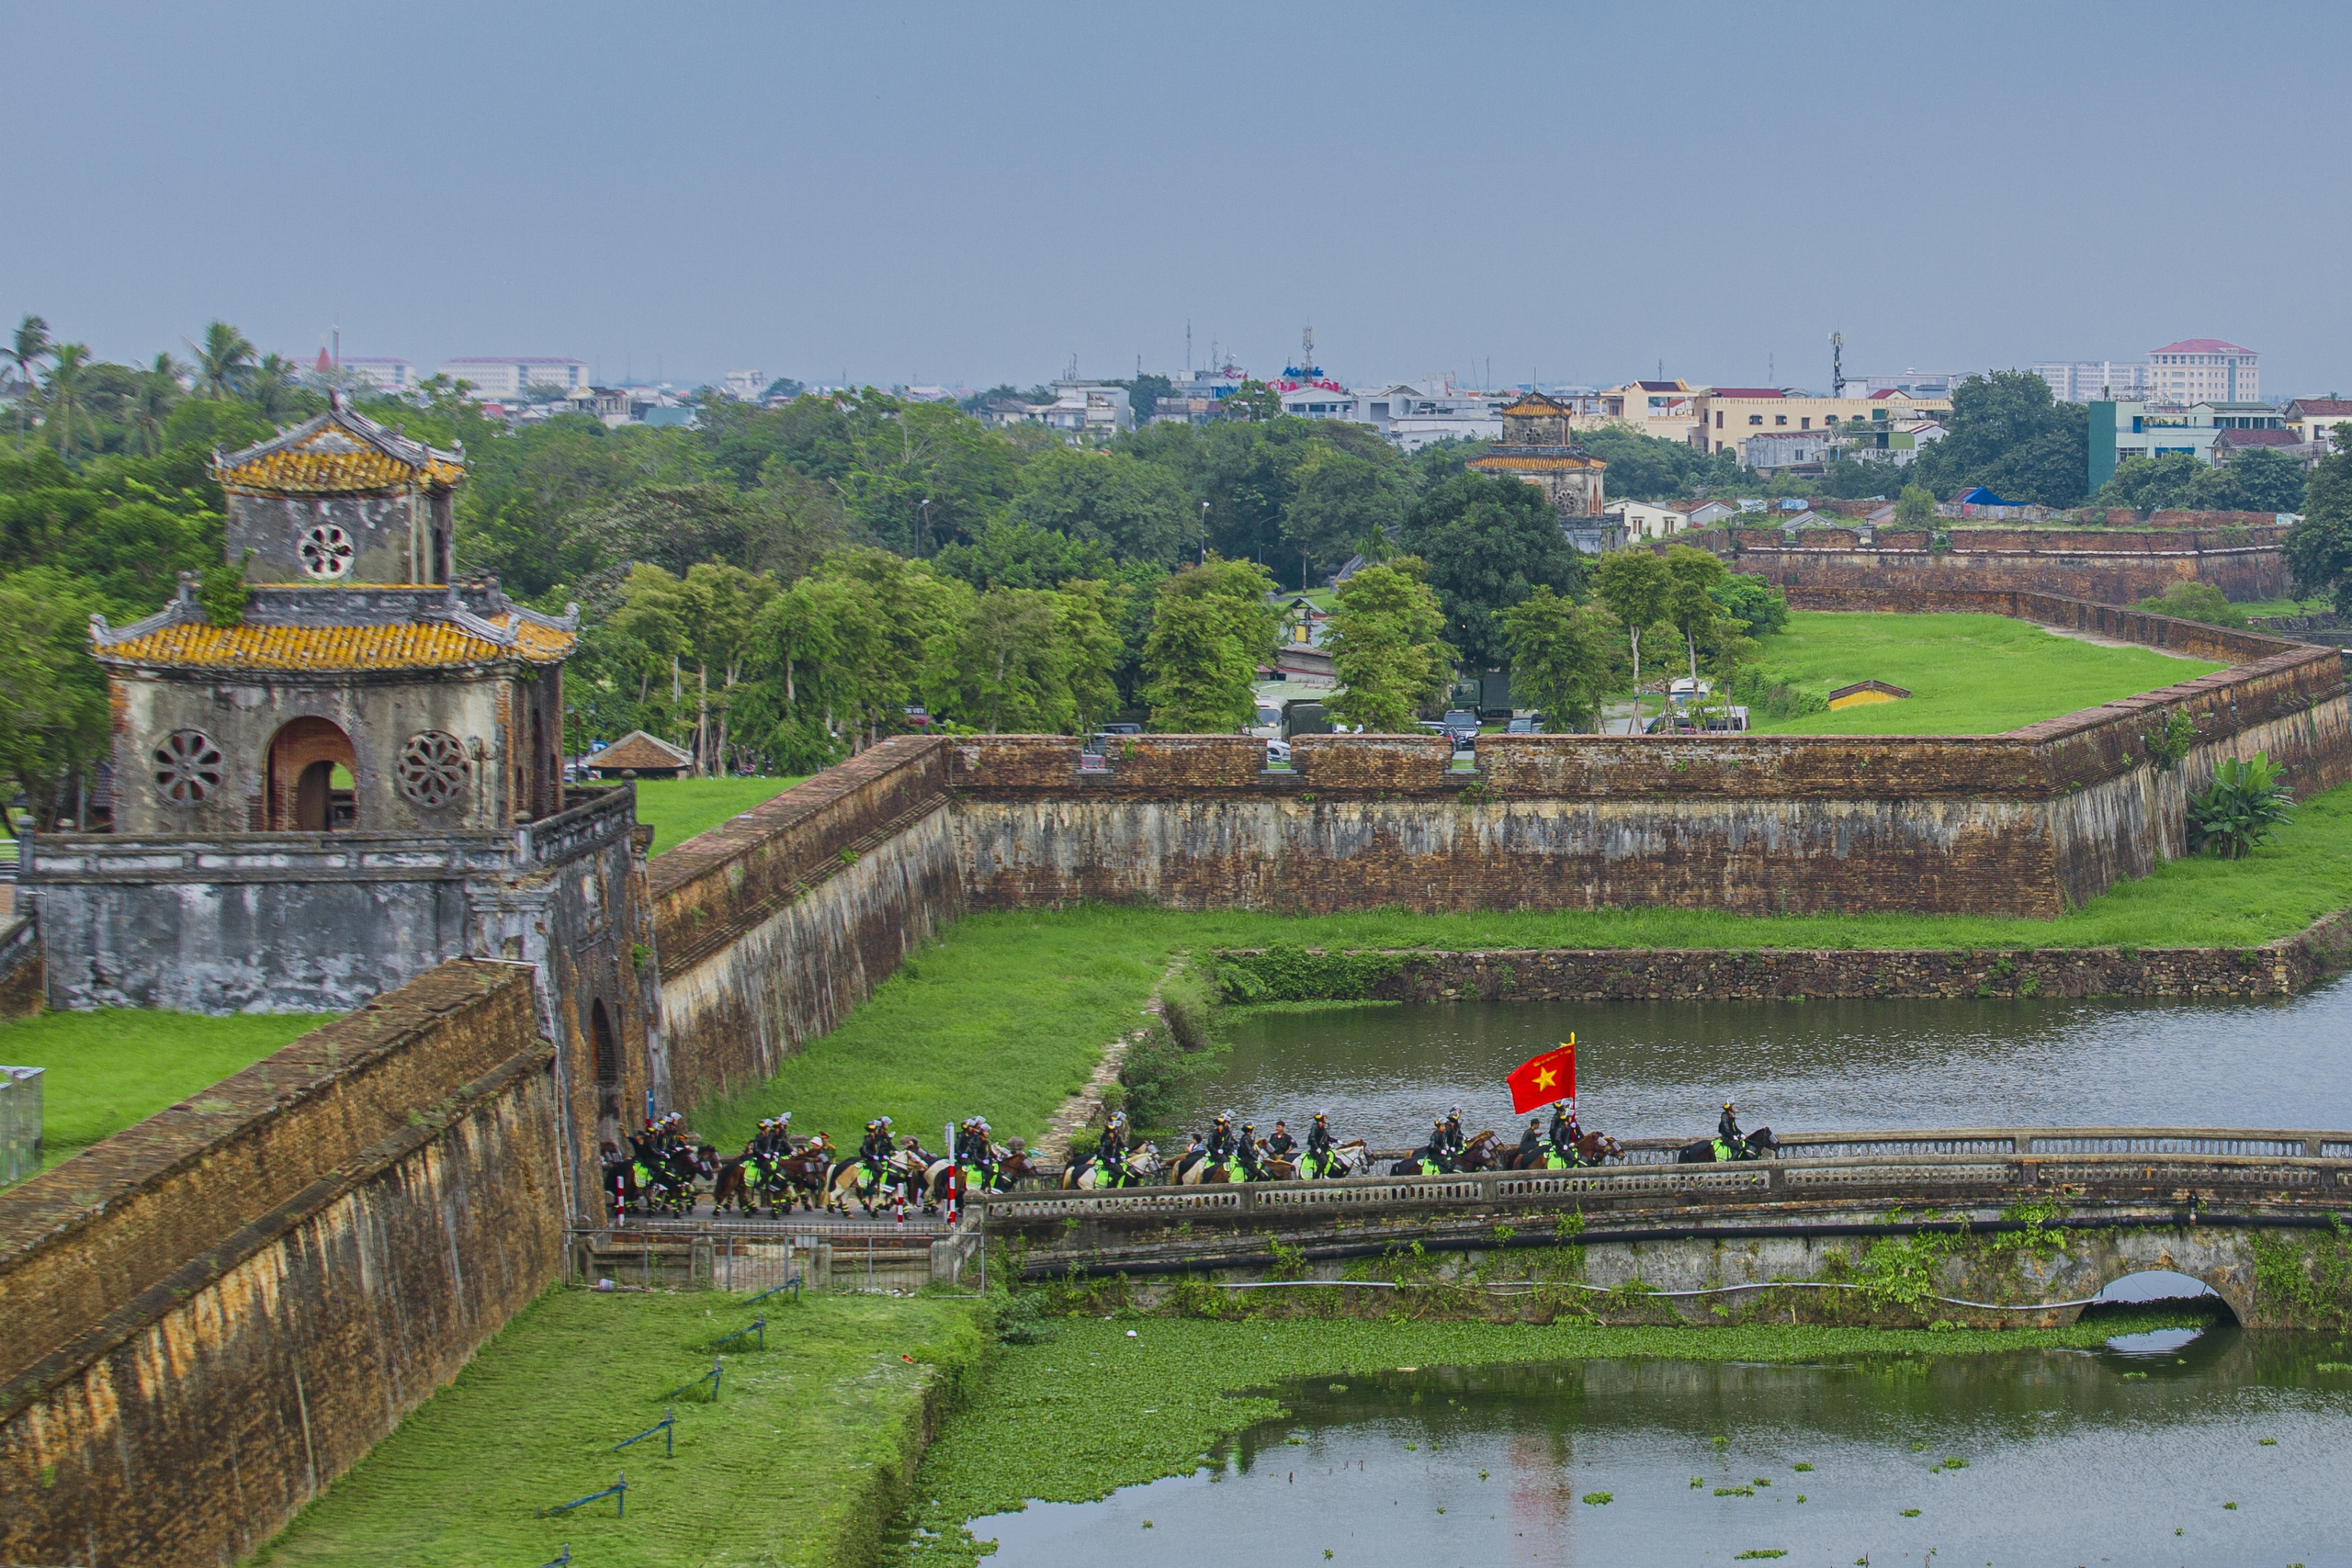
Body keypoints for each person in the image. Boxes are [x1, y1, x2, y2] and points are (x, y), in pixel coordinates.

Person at [1098, 1112, 1130, 1186]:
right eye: (1115, 1130)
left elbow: (1115, 1148)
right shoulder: (1106, 1139)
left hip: (1114, 1158)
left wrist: (1120, 1156)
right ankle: (1111, 1186)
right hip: (1108, 1160)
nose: (1116, 1131)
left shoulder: (1115, 1138)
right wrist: (1109, 1159)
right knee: (1120, 1172)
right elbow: (1101, 1153)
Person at [1306, 1110, 1336, 1177]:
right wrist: (1316, 1148)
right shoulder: (1315, 1127)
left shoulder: (1323, 1127)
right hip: (1316, 1149)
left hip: (1322, 1148)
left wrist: (1336, 1141)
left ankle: (1324, 1174)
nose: (1326, 1119)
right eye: (1325, 1117)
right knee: (1324, 1161)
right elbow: (1312, 1138)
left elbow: (1326, 1137)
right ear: (1321, 1118)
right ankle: (1316, 1176)